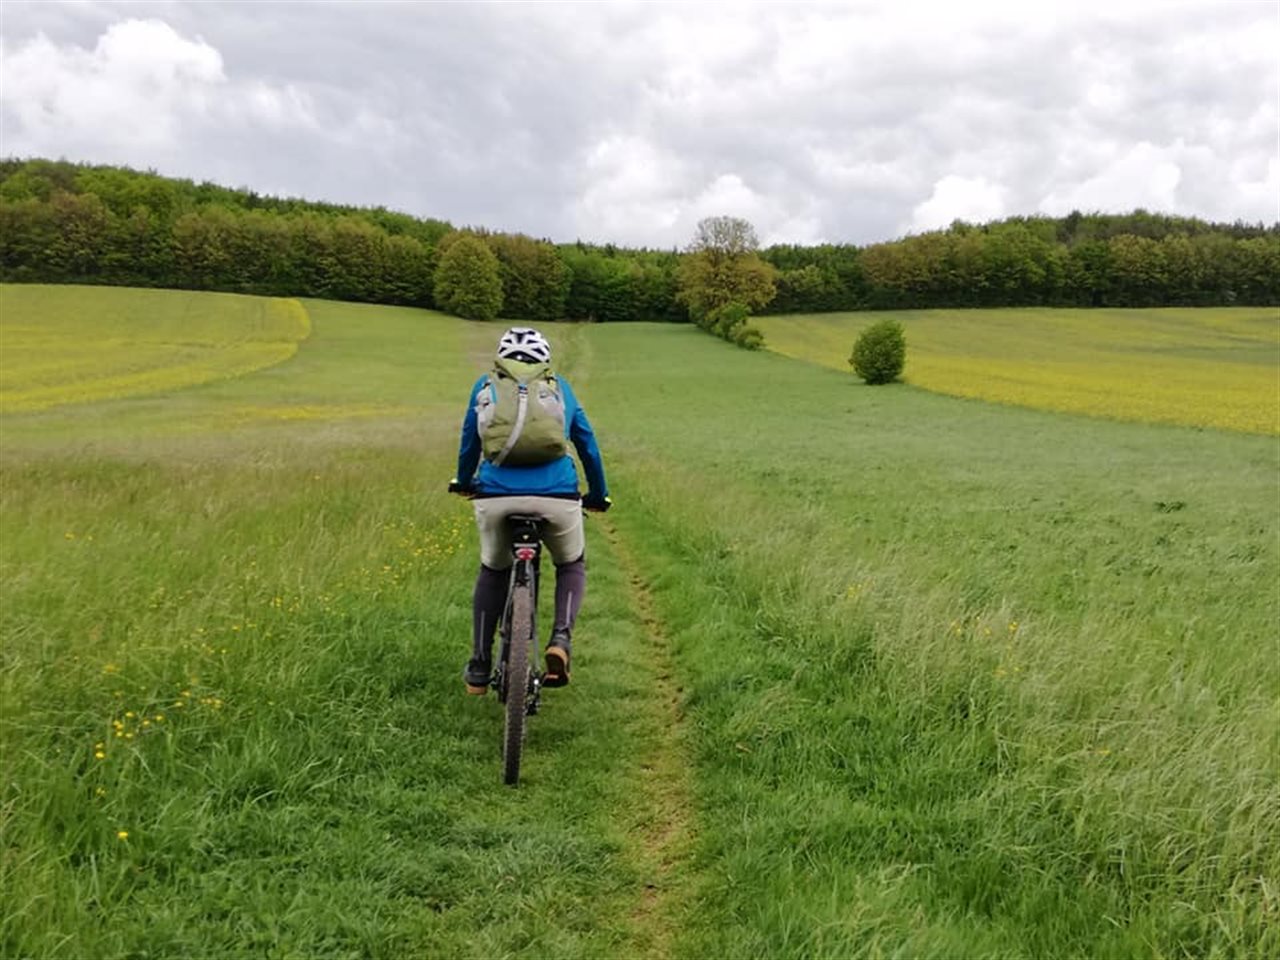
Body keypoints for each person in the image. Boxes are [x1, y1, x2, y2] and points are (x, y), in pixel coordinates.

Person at [449, 327, 610, 694]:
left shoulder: (485, 386)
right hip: (557, 497)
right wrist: (598, 493)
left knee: (493, 570)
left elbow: (469, 442)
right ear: (545, 358)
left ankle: (478, 666)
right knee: (571, 564)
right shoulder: (560, 388)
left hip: (495, 496)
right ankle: (560, 641)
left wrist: (463, 481)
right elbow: (588, 444)